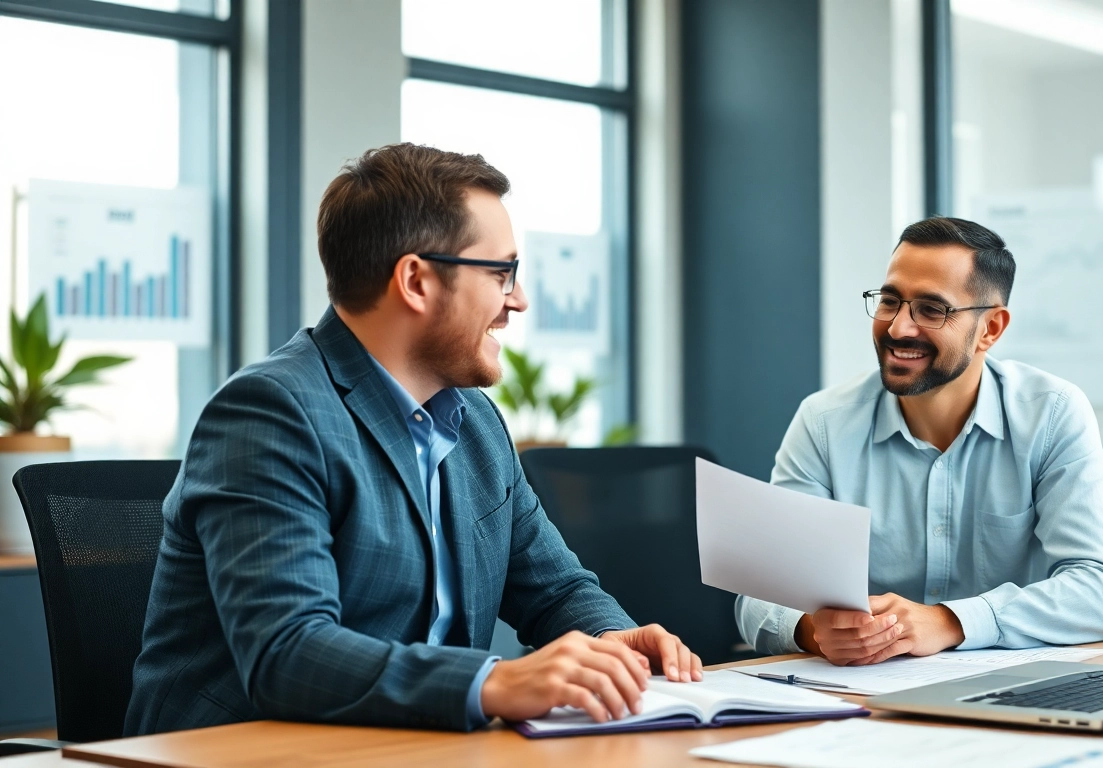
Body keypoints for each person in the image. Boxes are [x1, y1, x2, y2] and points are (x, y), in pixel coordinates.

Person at [126, 143, 701, 736]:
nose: (518, 300)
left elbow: (553, 590)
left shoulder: (474, 422)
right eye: (501, 272)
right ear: (416, 280)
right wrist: (495, 682)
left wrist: (611, 641)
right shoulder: (271, 412)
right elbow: (287, 653)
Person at [735, 216, 1103, 665]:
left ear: (991, 329)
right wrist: (813, 630)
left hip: (1007, 694)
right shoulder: (824, 422)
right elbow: (759, 596)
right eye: (890, 301)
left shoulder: (1051, 413)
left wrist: (948, 622)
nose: (899, 328)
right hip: (863, 699)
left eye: (931, 309)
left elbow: (1099, 591)